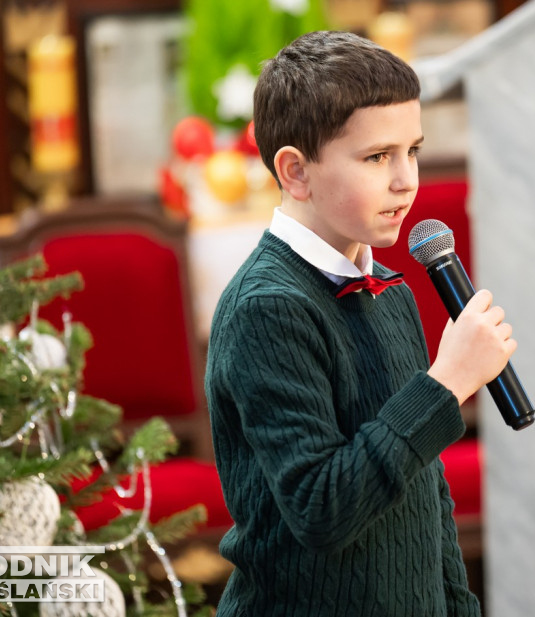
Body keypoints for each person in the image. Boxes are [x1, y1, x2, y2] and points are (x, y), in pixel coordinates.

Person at [204, 30, 517, 616]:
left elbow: (424, 493)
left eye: (413, 151)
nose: (406, 180)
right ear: (296, 173)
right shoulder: (267, 307)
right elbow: (321, 509)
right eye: (378, 157)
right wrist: (445, 384)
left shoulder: (390, 290)